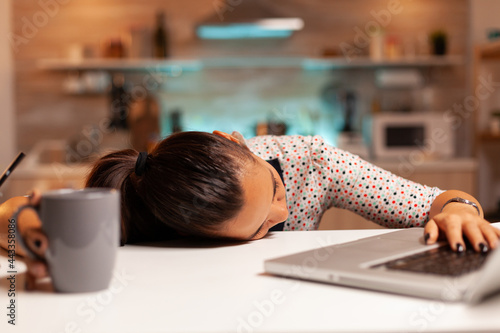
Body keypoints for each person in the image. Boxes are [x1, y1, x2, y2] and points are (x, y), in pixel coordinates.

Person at [1, 131, 499, 286]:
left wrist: (461, 210)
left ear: (233, 140)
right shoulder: (152, 194)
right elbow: (13, 215)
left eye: (276, 190)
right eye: (262, 227)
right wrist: (23, 227)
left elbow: (437, 200)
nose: (283, 216)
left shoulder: (313, 160)